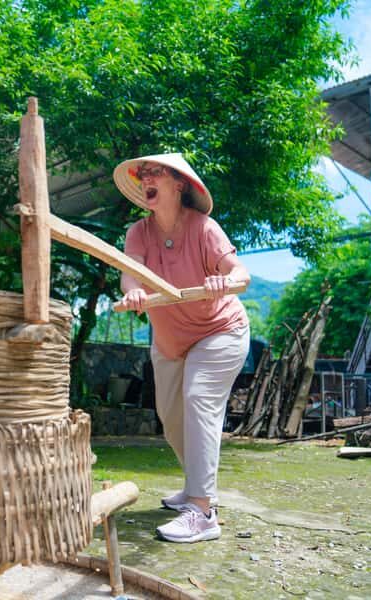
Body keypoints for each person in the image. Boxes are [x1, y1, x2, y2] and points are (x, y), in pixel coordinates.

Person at [115, 153, 250, 544]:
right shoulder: (138, 233)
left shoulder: (204, 229)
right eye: (144, 175)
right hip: (170, 341)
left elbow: (240, 274)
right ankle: (196, 485)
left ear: (179, 185)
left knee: (198, 399)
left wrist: (224, 282)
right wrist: (135, 292)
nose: (146, 178)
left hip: (219, 331)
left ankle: (203, 511)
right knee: (171, 417)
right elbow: (130, 278)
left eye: (156, 172)